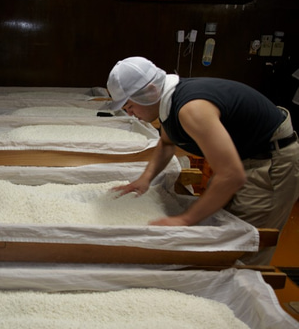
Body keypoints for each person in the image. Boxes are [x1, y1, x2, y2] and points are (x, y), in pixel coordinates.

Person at [107, 56, 299, 265]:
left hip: (269, 161)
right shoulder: (168, 104)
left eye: (130, 107)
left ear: (150, 92)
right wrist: (145, 179)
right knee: (220, 231)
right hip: (244, 157)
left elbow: (231, 175)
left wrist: (184, 220)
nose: (131, 114)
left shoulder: (191, 109)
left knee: (242, 246)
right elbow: (167, 144)